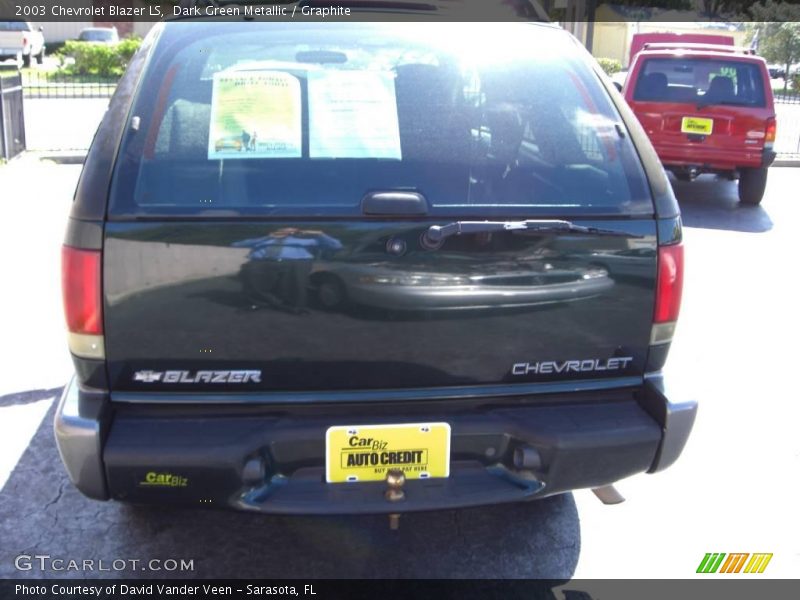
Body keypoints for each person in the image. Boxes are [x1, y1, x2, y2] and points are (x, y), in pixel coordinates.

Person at [233, 228, 343, 314]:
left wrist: (320, 234)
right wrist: (267, 237)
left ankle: (294, 307)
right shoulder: (265, 239)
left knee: (296, 285)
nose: (287, 231)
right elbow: (237, 244)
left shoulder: (308, 240)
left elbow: (336, 246)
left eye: (291, 230)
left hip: (296, 262)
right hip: (262, 261)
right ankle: (256, 303)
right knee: (254, 283)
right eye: (284, 229)